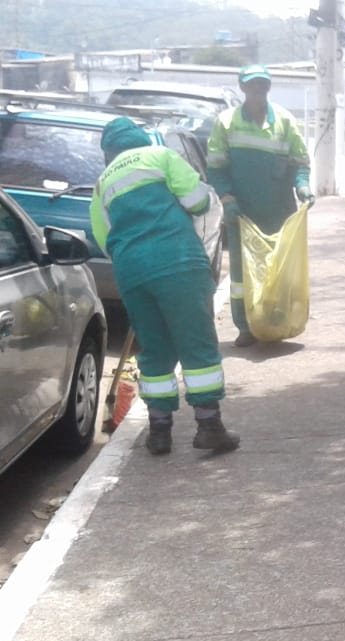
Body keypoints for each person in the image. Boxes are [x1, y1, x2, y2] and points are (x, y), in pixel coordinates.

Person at [90, 117, 240, 455]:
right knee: (196, 344)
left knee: (154, 349)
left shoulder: (103, 183)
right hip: (177, 262)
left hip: (132, 271)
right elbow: (198, 202)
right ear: (139, 139)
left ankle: (159, 432)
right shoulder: (160, 156)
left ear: (108, 152)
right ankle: (209, 425)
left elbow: (103, 238)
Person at [207, 64, 313, 348]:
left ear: (269, 87)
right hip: (241, 211)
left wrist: (303, 186)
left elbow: (300, 163)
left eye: (263, 84)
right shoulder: (227, 122)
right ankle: (246, 326)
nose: (258, 89)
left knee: (277, 268)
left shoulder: (285, 122)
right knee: (242, 275)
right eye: (253, 84)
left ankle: (275, 320)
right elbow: (216, 169)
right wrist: (227, 199)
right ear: (242, 87)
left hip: (279, 210)